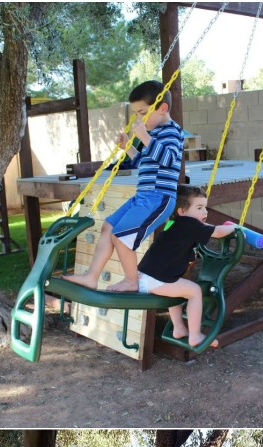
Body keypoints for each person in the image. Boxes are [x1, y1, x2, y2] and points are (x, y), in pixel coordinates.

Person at [63, 80, 184, 292]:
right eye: (136, 113)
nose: (138, 118)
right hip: (144, 196)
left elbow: (168, 158)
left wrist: (144, 137)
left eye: (142, 112)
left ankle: (131, 280)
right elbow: (143, 163)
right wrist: (129, 148)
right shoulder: (154, 134)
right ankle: (91, 276)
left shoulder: (171, 132)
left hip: (159, 198)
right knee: (108, 228)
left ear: (163, 108)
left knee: (122, 237)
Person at [136, 185, 237, 349]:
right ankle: (195, 336)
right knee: (194, 291)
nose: (205, 212)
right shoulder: (188, 223)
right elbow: (218, 232)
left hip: (146, 276)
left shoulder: (175, 224)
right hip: (155, 279)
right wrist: (234, 228)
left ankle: (179, 328)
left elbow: (202, 231)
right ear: (182, 211)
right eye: (199, 208)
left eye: (205, 207)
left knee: (175, 291)